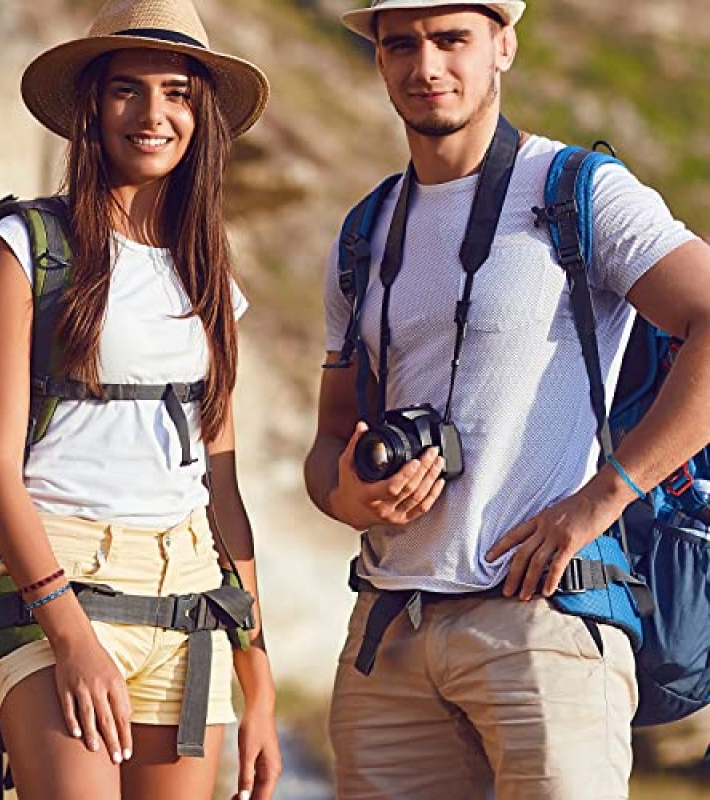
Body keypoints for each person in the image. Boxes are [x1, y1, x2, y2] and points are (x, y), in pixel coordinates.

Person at [304, 1, 710, 798]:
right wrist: (346, 495)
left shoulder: (578, 193)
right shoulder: (363, 231)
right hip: (390, 636)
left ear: (504, 46)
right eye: (401, 45)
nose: (426, 66)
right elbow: (327, 442)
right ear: (380, 60)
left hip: (547, 623)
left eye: (452, 39)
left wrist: (603, 497)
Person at [0, 1, 281, 798]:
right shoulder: (23, 249)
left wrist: (259, 676)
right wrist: (67, 632)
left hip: (189, 593)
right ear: (90, 108)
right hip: (56, 577)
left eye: (177, 93)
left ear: (200, 115)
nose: (154, 115)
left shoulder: (209, 271)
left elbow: (222, 485)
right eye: (126, 90)